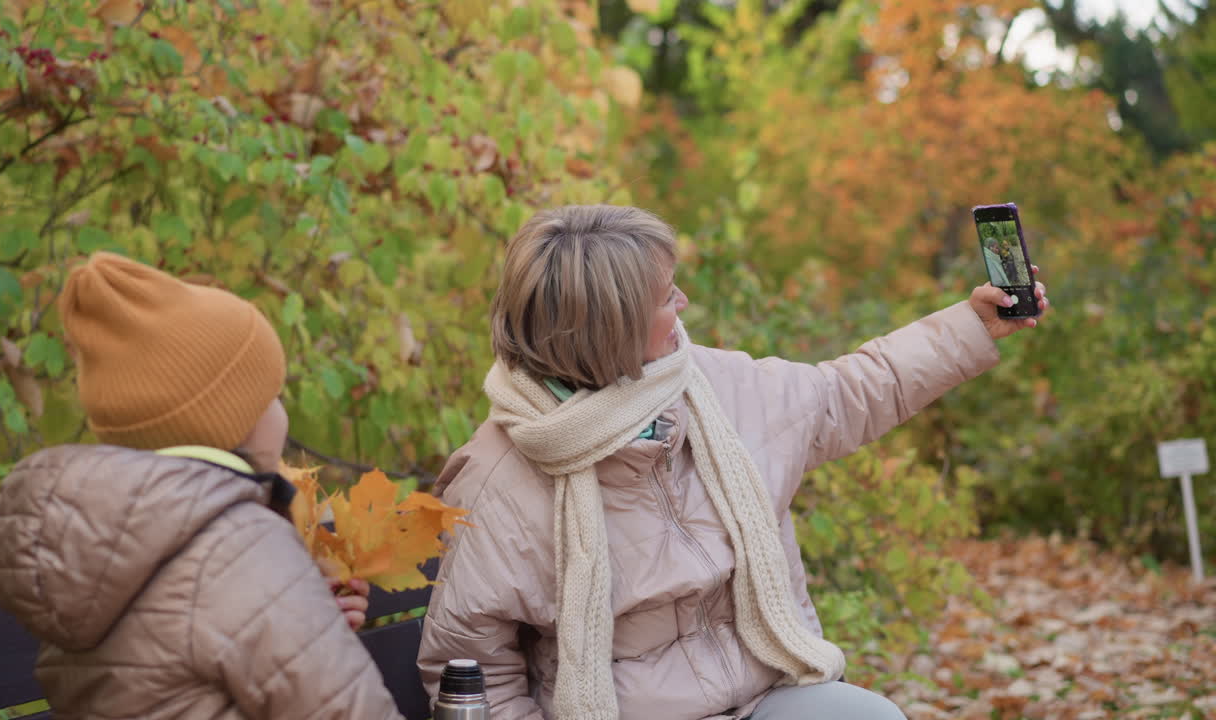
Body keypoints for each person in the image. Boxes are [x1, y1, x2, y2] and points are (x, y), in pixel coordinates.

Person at [416, 205, 1050, 720]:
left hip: (764, 698)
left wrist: (973, 325)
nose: (684, 303)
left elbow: (851, 391)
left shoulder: (713, 385)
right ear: (608, 332)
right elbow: (474, 669)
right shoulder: (499, 478)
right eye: (666, 297)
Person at [0, 253, 402, 720]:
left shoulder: (98, 547)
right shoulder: (241, 548)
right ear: (235, 420)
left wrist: (307, 612)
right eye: (272, 396)